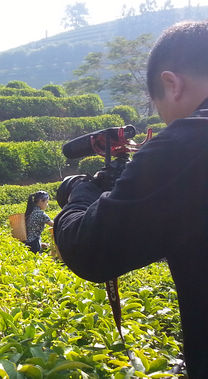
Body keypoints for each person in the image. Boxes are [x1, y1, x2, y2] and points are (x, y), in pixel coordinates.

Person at [53, 21, 208, 378]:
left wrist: (80, 192)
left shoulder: (188, 142)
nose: (168, 124)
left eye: (160, 111)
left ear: (171, 84)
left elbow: (90, 250)